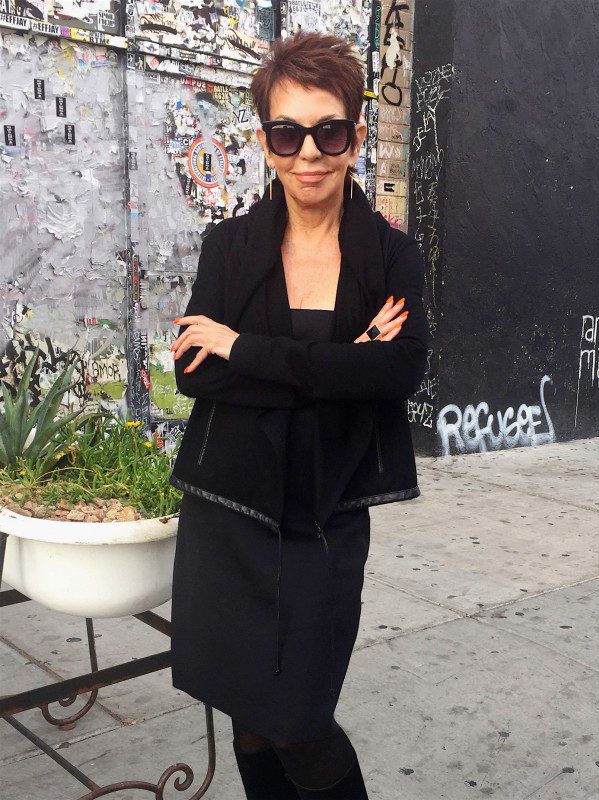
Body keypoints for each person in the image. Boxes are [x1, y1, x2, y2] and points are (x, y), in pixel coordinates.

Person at [168, 30, 429, 800]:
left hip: (326, 518)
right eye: (287, 132)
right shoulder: (230, 248)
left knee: (300, 719)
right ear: (264, 140)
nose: (308, 152)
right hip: (231, 515)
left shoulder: (388, 256)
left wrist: (243, 350)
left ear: (354, 135)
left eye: (329, 131)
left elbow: (400, 370)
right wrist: (340, 363)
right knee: (249, 713)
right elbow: (191, 374)